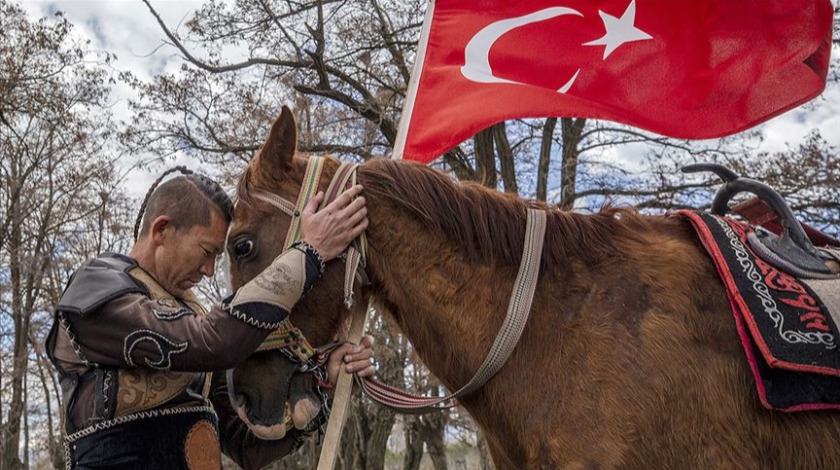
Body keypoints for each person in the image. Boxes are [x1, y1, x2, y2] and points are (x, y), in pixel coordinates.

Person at [46, 167, 372, 469]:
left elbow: (246, 448)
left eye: (217, 257)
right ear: (162, 229)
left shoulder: (191, 315)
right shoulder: (98, 286)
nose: (209, 271)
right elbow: (211, 342)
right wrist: (308, 254)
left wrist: (324, 381)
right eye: (206, 251)